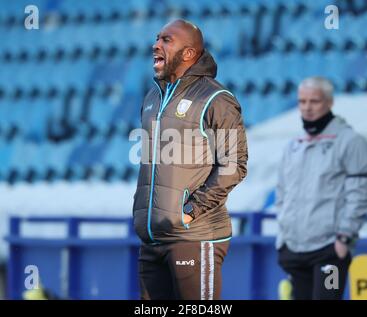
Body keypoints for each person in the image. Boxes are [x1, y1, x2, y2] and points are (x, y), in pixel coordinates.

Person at [132, 19, 248, 300]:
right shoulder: (152, 98)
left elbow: (234, 165)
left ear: (188, 53)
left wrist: (189, 212)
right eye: (158, 38)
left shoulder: (216, 98)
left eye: (166, 40)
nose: (155, 44)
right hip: (152, 238)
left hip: (195, 236)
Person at [276, 77, 367, 300]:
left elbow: (360, 193)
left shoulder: (351, 141)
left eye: (314, 101)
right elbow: (282, 194)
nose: (307, 107)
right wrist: (283, 238)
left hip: (330, 251)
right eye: (302, 101)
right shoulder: (293, 146)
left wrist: (344, 239)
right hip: (294, 252)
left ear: (329, 102)